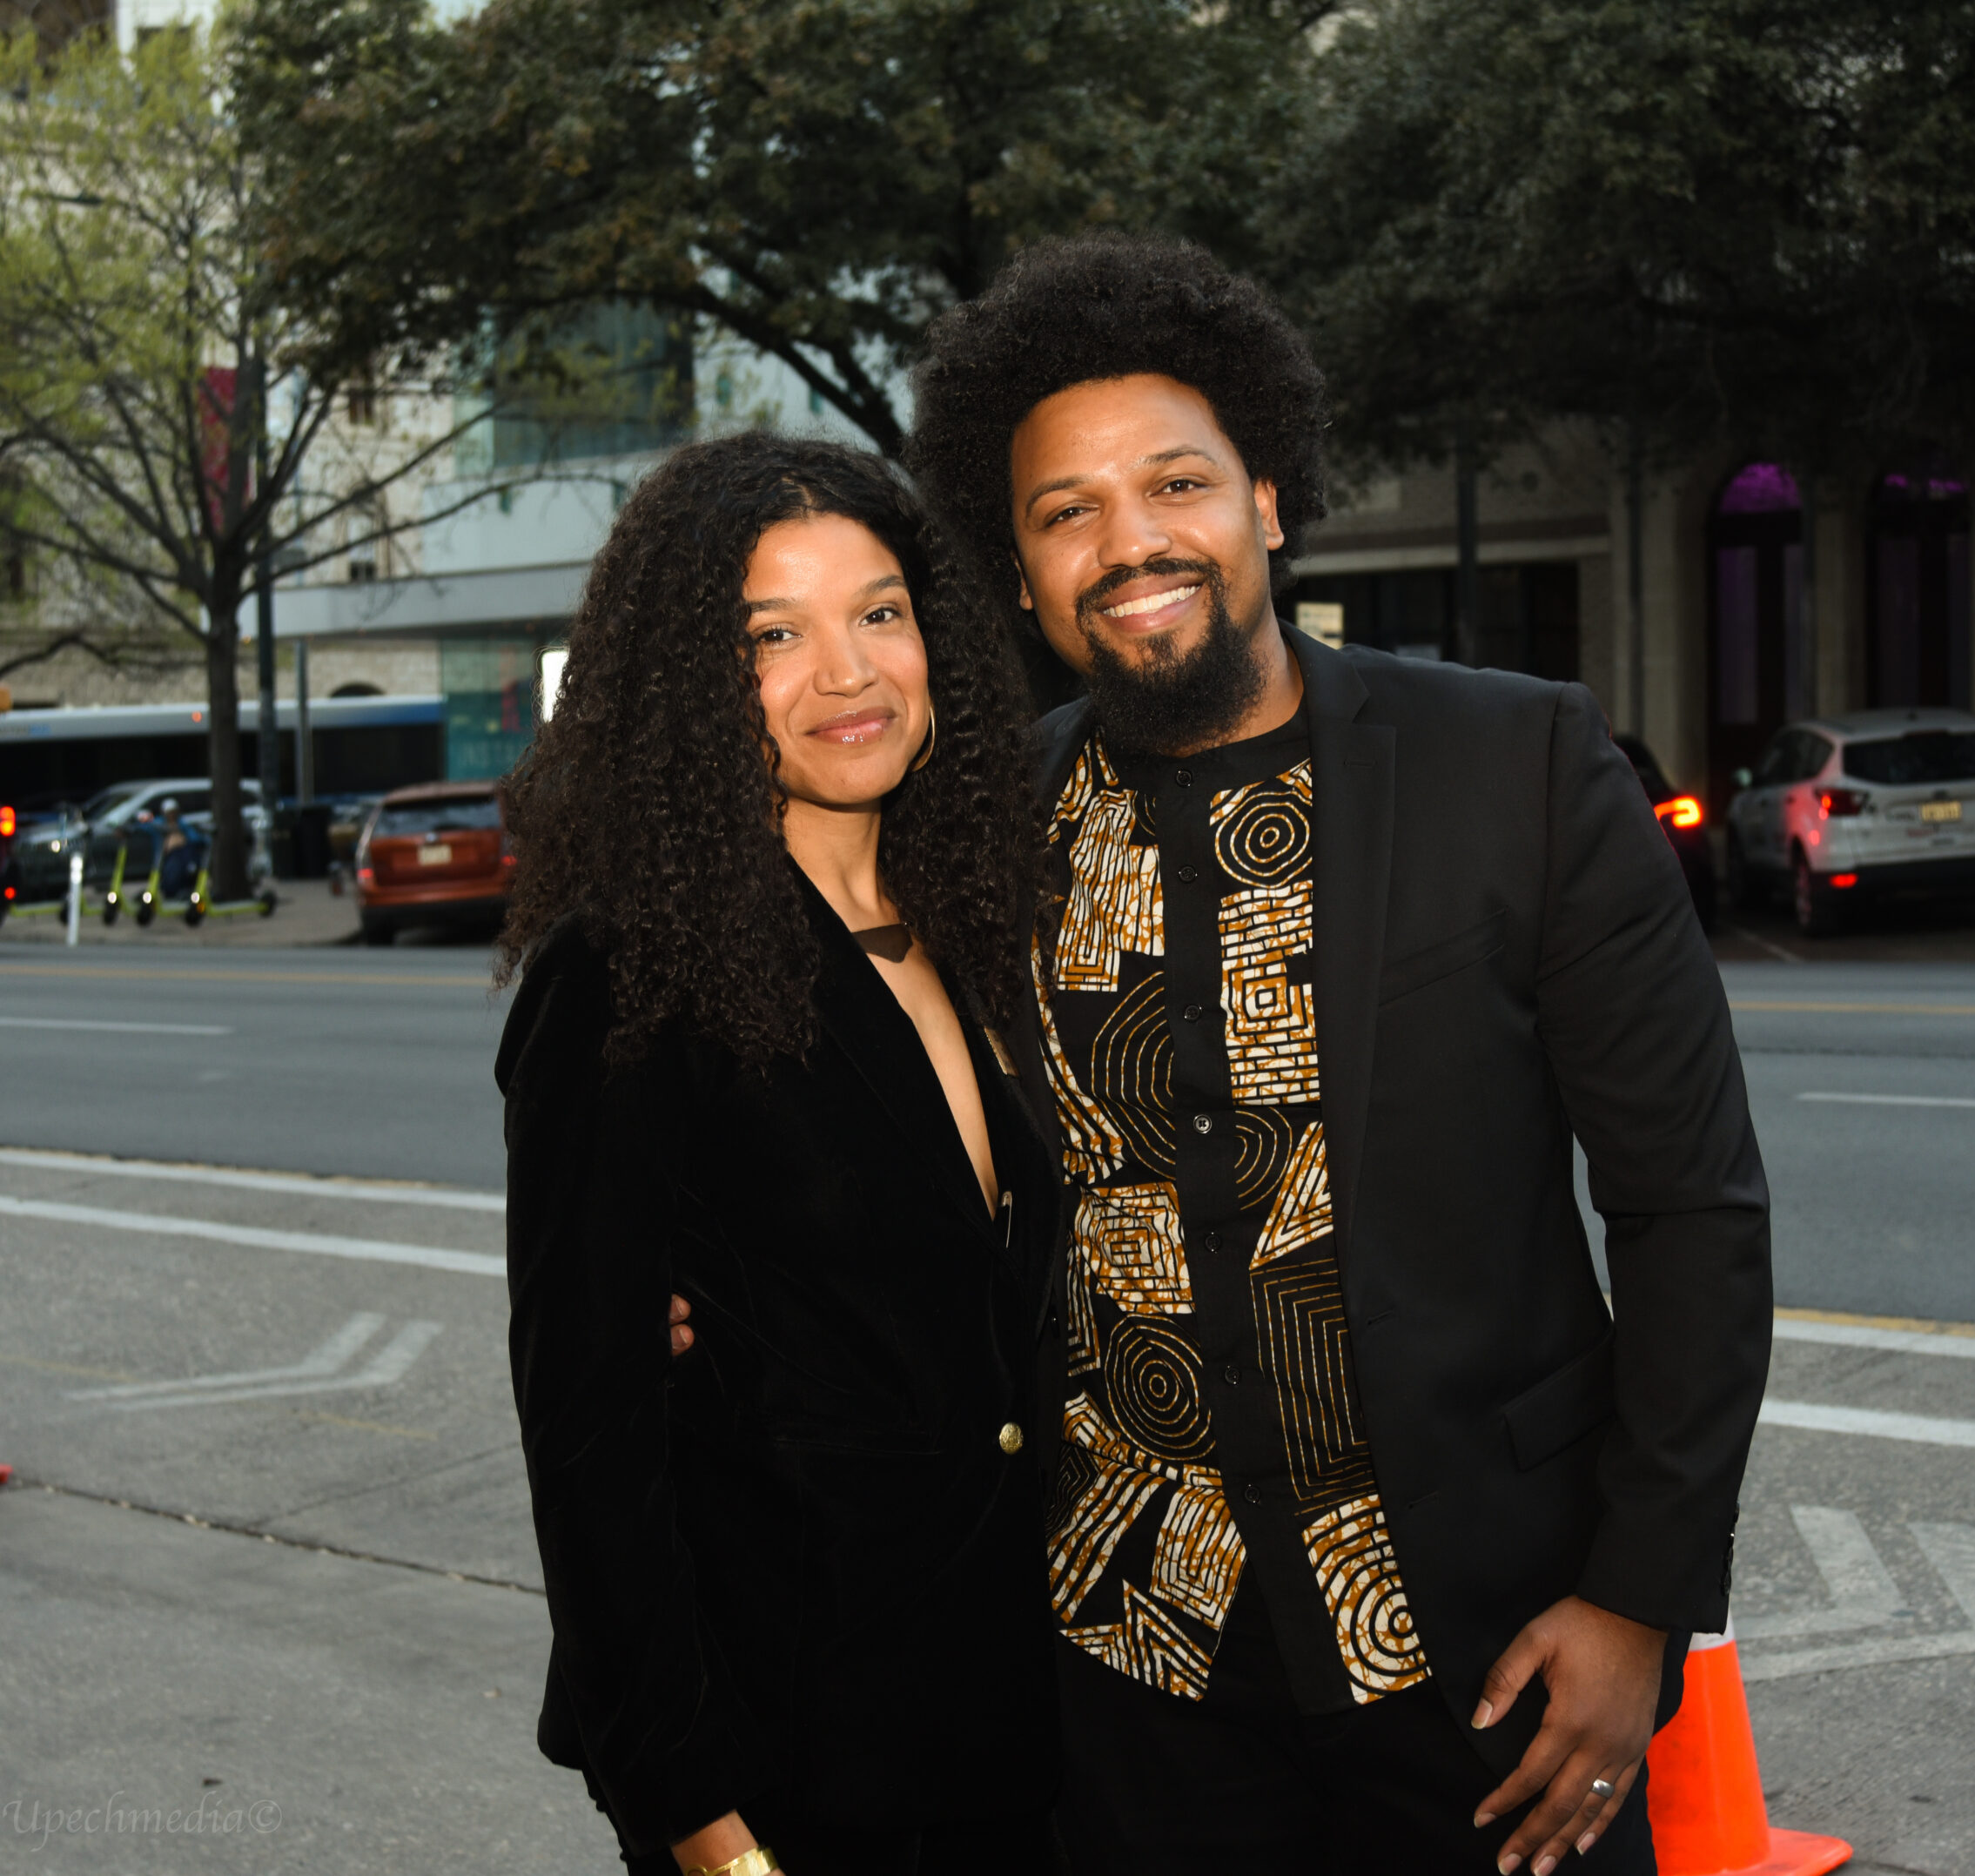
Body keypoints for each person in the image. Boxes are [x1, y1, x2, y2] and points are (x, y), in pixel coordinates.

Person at [893, 235, 1776, 1876]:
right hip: (1133, 1665)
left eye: (1176, 484)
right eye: (1067, 512)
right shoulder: (982, 827)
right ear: (1018, 574)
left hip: (1488, 1654)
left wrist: (1639, 1603)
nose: (1130, 543)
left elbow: (1691, 1210)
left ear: (1268, 501)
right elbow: (883, 1133)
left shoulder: (1517, 766)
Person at [493, 434, 1064, 1876]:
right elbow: (590, 1441)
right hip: (790, 1761)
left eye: (879, 612)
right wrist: (697, 1819)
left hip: (1019, 1729)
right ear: (690, 681)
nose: (848, 674)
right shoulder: (625, 974)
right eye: (774, 636)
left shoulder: (980, 919)